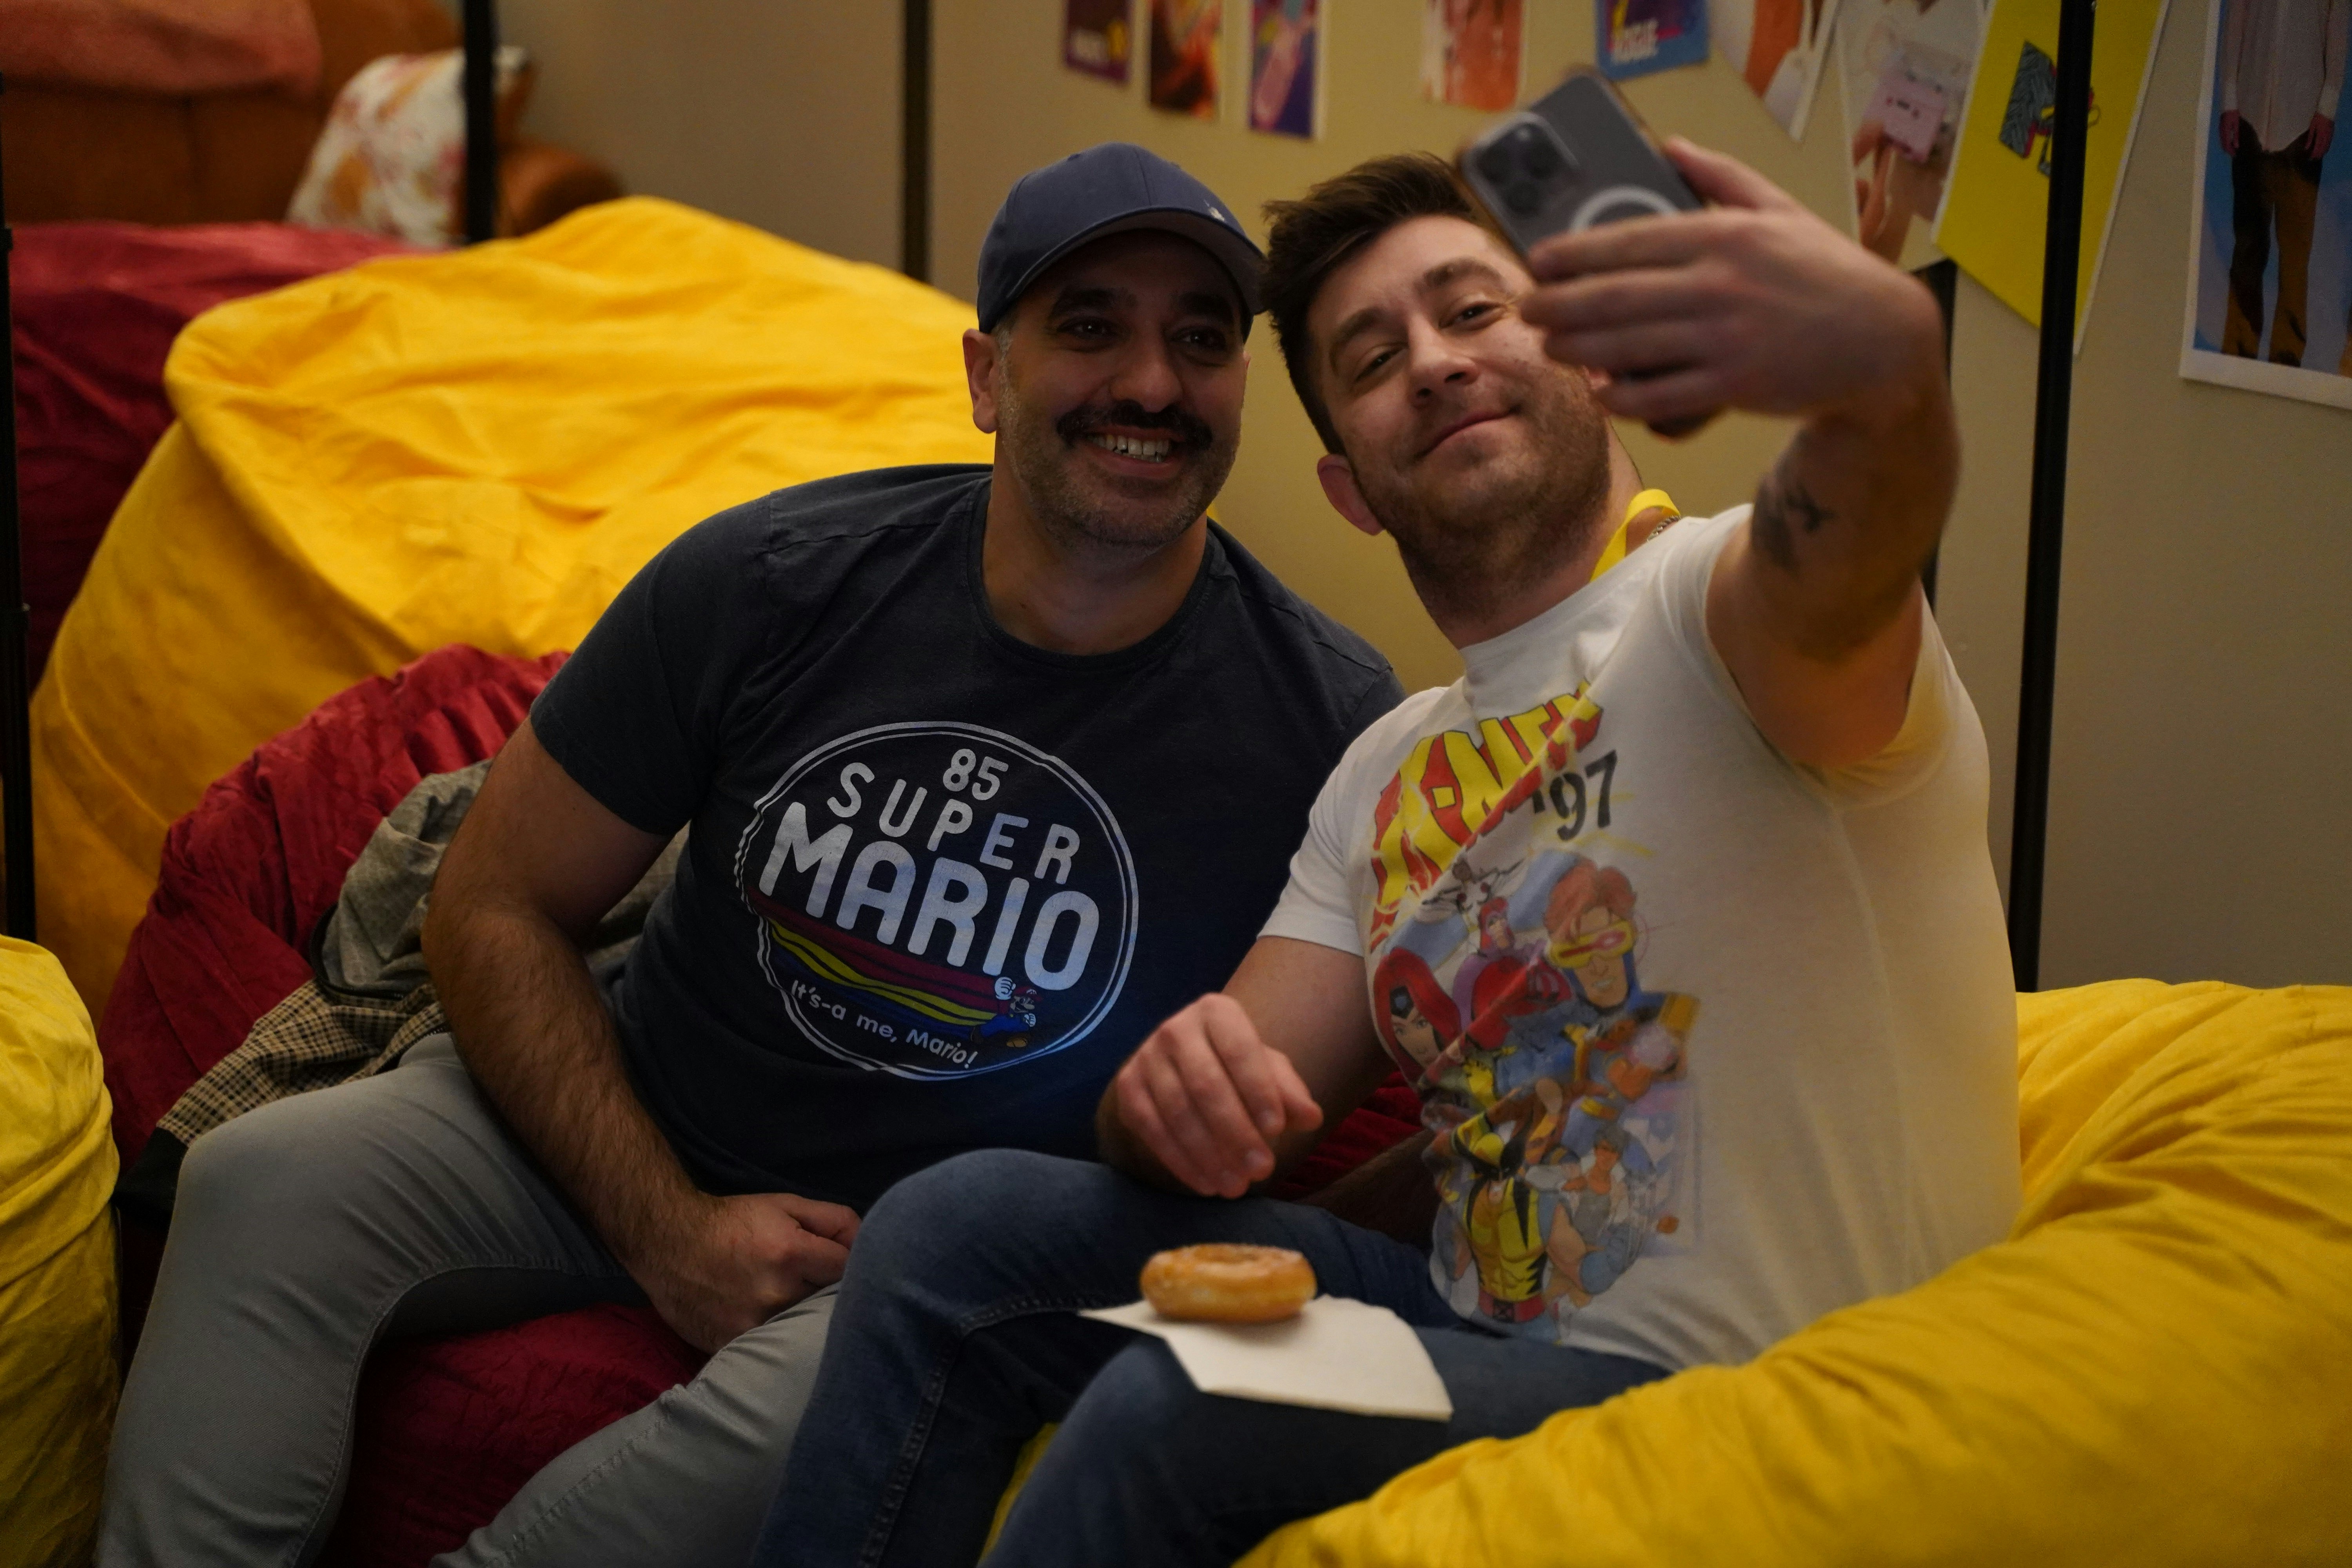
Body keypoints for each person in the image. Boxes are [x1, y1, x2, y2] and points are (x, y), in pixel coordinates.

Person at [95, 143, 1405, 1568]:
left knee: (836, 1408)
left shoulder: (1327, 724)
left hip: (930, 1263)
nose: (1150, 383)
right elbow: (493, 900)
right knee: (260, 1180)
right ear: (986, 377)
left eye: (1200, 341)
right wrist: (666, 1228)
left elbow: (1293, 1120)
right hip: (629, 1120)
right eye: (1089, 326)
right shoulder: (770, 580)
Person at [753, 135, 2022, 1568]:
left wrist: (1876, 385)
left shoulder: (1715, 611)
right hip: (1460, 1328)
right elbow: (1237, 1115)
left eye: (1472, 311)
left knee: (1183, 1405)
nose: (1432, 362)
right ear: (1347, 484)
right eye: (1372, 358)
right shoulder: (1382, 771)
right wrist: (1164, 1099)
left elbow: (1841, 553)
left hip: (1733, 1389)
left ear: (1587, 360)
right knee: (952, 1225)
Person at [2218, 0, 2348, 364]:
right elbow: (2238, 16)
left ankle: (2287, 359)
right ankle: (2237, 354)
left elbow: (2339, 25)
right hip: (2251, 111)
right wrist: (2229, 100)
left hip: (2304, 122)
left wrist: (2328, 107)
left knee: (2295, 254)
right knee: (2248, 248)